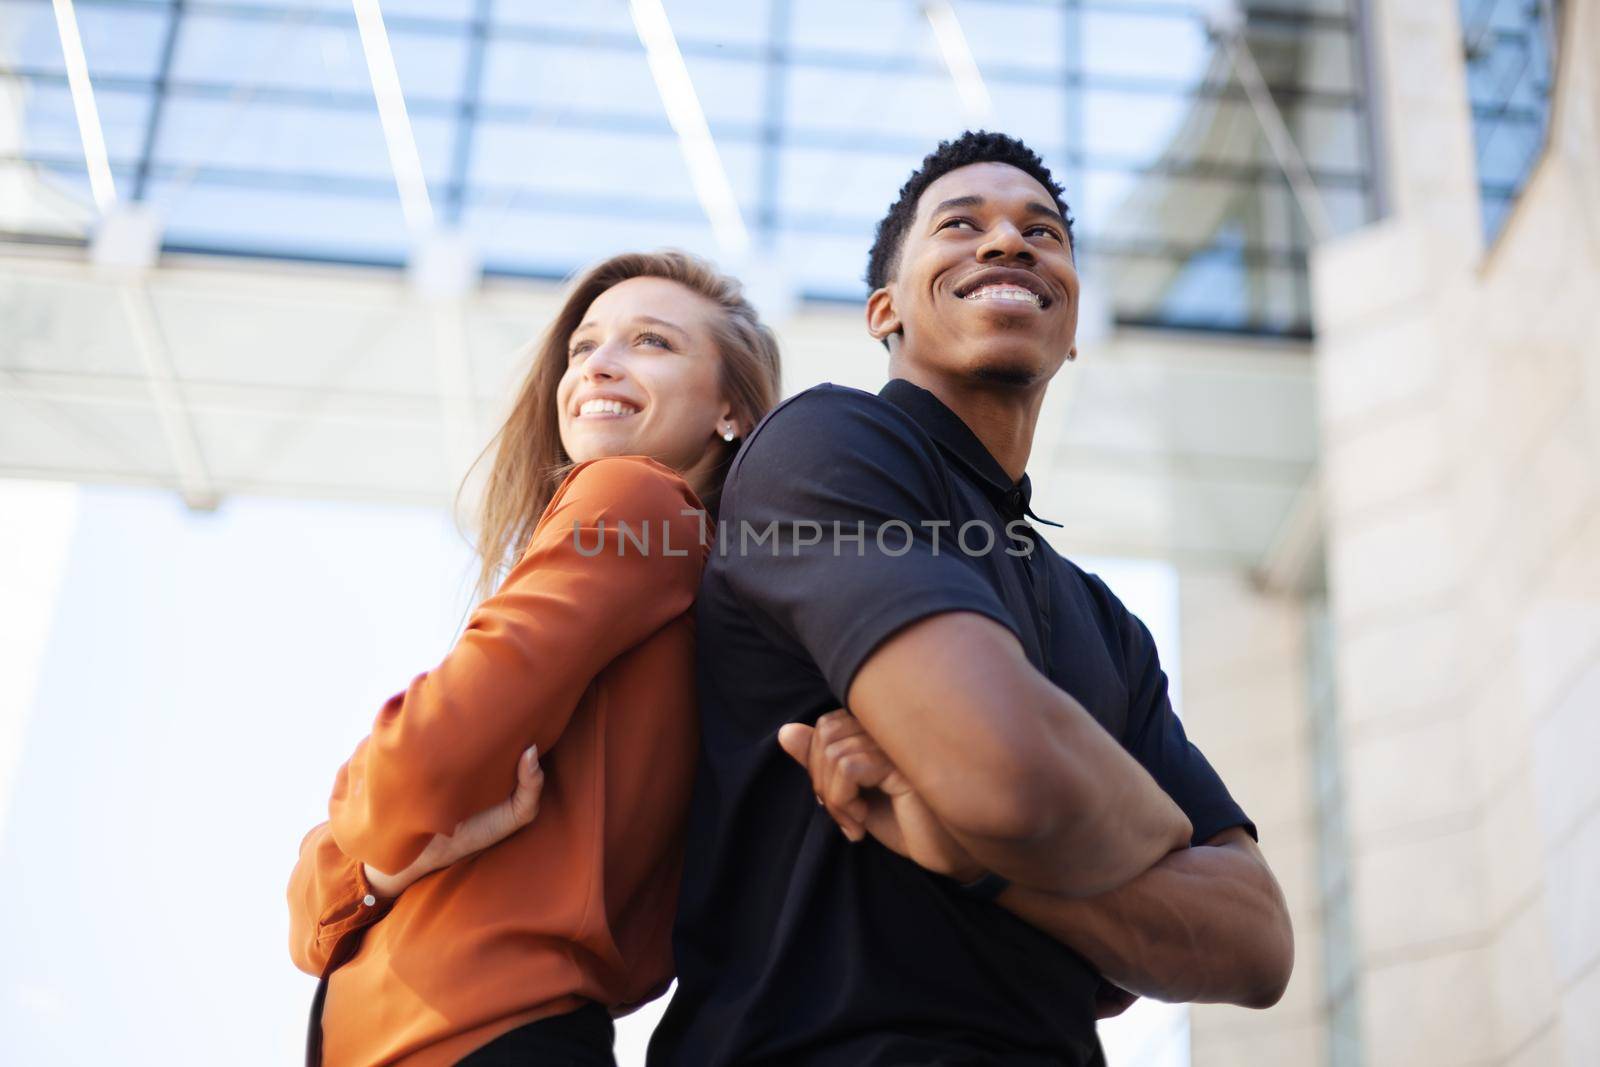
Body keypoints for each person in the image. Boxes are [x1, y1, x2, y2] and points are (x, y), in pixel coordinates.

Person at [646, 131, 1294, 1066]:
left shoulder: (1107, 623)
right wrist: (1147, 835)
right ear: (885, 311)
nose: (1006, 243)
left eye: (1042, 232)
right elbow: (1011, 773)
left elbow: (1258, 939)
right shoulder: (826, 447)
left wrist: (982, 860)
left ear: (1071, 331)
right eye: (962, 225)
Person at [286, 250, 782, 1067]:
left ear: (730, 408)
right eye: (584, 346)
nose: (600, 366)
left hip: (471, 1034)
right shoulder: (700, 587)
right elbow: (312, 926)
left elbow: (410, 773)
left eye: (652, 342)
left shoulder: (635, 497)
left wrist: (369, 851)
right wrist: (381, 860)